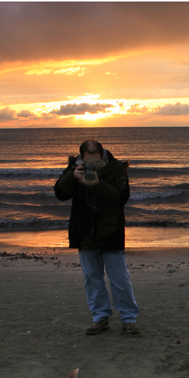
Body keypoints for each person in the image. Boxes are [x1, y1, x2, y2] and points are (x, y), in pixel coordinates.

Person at [54, 140, 140, 335]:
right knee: (91, 278)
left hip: (110, 231)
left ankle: (128, 319)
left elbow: (120, 198)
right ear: (81, 159)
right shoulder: (74, 168)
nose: (93, 166)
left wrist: (98, 184)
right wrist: (72, 176)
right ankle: (100, 317)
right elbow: (60, 193)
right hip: (84, 231)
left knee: (119, 278)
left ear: (103, 156)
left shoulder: (116, 168)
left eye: (96, 162)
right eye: (88, 163)